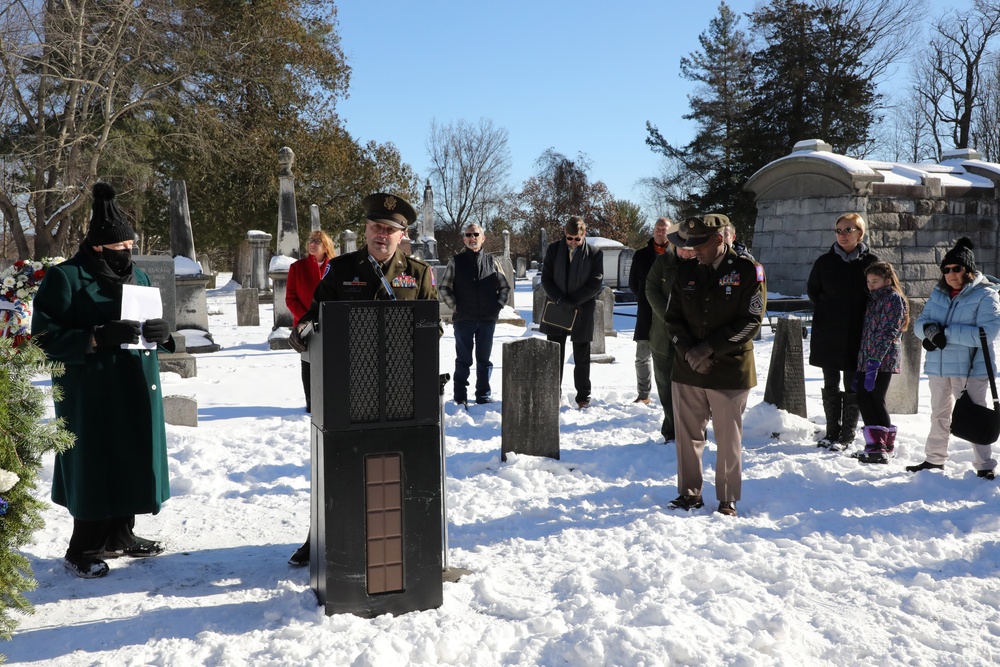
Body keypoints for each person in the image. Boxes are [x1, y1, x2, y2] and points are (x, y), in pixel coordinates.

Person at [31, 182, 174, 578]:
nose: (127, 252)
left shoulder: (139, 276)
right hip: (90, 391)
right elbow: (42, 339)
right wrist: (95, 337)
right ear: (97, 247)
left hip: (135, 384)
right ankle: (84, 547)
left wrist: (164, 334)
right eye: (119, 246)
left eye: (130, 245)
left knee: (132, 457)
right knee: (96, 465)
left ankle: (121, 535)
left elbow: (152, 328)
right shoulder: (65, 278)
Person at [287, 192, 436, 566]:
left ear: (402, 234)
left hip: (400, 390)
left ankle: (400, 542)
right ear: (366, 230)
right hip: (349, 387)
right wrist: (302, 330)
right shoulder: (341, 270)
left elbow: (432, 327)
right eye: (376, 227)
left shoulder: (417, 273)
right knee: (340, 466)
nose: (381, 235)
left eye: (389, 229)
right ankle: (321, 539)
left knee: (396, 468)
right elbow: (314, 314)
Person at [663, 214, 765, 517]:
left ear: (719, 239)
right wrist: (689, 351)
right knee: (687, 436)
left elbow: (751, 321)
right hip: (688, 368)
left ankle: (727, 498)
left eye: (700, 245)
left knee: (728, 438)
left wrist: (708, 349)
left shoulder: (748, 270)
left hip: (729, 369)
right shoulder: (686, 271)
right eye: (690, 245)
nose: (693, 251)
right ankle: (689, 493)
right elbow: (672, 318)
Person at [908, 238, 1000, 478]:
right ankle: (934, 459)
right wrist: (929, 332)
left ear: (968, 270)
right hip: (938, 365)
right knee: (938, 415)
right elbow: (920, 324)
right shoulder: (938, 293)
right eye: (946, 269)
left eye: (956, 269)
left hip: (971, 368)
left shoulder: (986, 295)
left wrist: (944, 332)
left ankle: (984, 466)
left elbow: (987, 333)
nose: (950, 274)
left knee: (975, 415)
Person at [807, 213, 880, 451]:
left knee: (851, 383)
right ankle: (832, 431)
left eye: (848, 230)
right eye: (839, 230)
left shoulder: (872, 262)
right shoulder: (824, 262)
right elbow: (814, 291)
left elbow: (880, 292)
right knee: (830, 381)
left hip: (857, 333)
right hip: (828, 331)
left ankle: (847, 434)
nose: (842, 235)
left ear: (860, 233)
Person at [438, 223, 510, 406]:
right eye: (468, 235)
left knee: (484, 360)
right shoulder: (456, 261)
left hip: (487, 319)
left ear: (483, 238)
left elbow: (504, 287)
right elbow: (444, 287)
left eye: (476, 234)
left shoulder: (492, 261)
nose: (472, 238)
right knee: (463, 360)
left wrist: (497, 306)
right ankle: (460, 396)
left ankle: (483, 395)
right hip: (464, 319)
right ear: (464, 239)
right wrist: (455, 307)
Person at [539, 216, 605, 409]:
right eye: (569, 238)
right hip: (557, 306)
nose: (573, 242)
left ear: (584, 235)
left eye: (577, 239)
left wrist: (574, 301)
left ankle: (583, 396)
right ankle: (553, 393)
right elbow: (546, 278)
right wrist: (560, 300)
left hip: (582, 308)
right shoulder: (553, 250)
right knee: (554, 354)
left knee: (582, 356)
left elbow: (596, 282)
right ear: (564, 234)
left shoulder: (594, 253)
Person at [852, 262, 909, 464]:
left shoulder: (892, 298)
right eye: (868, 281)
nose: (871, 285)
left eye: (875, 281)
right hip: (868, 356)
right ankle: (881, 446)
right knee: (866, 397)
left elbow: (888, 331)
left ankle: (878, 447)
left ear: (887, 280)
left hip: (882, 358)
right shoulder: (874, 299)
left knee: (874, 398)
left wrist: (874, 361)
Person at [645, 222, 696, 442]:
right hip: (663, 336)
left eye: (690, 249)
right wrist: (667, 316)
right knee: (666, 388)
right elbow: (650, 288)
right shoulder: (663, 261)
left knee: (692, 390)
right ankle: (671, 431)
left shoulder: (702, 264)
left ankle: (693, 431)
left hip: (692, 338)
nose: (686, 253)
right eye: (681, 248)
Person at [285, 230, 335, 413]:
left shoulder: (336, 267)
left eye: (317, 241)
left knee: (332, 363)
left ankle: (332, 400)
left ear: (326, 246)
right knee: (308, 363)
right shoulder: (297, 268)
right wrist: (306, 319)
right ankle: (312, 403)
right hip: (305, 325)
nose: (312, 244)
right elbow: (290, 298)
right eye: (310, 240)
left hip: (332, 323)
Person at [628, 217, 671, 406]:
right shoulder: (641, 255)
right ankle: (643, 394)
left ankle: (670, 394)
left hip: (668, 312)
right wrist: (647, 298)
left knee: (668, 357)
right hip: (646, 312)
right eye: (657, 229)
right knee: (642, 356)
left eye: (664, 229)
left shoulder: (675, 254)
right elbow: (633, 283)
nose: (660, 232)